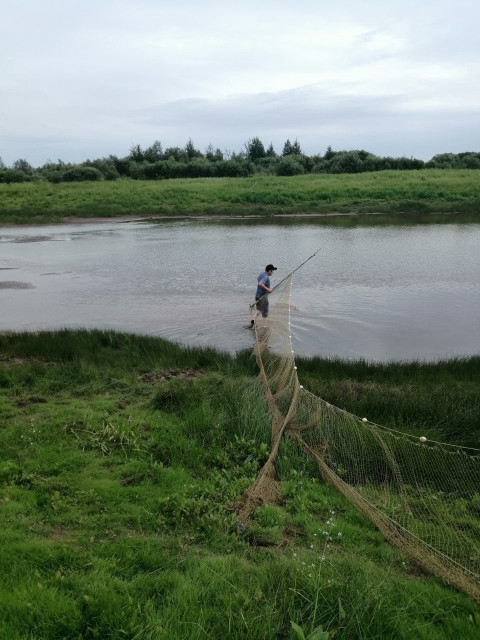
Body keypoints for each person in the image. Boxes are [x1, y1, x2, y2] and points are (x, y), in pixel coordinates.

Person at [251, 264, 277, 328]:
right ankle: (264, 327)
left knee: (259, 310)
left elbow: (258, 279)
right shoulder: (266, 277)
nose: (273, 272)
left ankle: (253, 320)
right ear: (269, 271)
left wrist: (265, 288)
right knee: (265, 312)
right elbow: (260, 284)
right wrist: (268, 289)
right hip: (262, 297)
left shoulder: (262, 273)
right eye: (272, 271)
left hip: (257, 295)